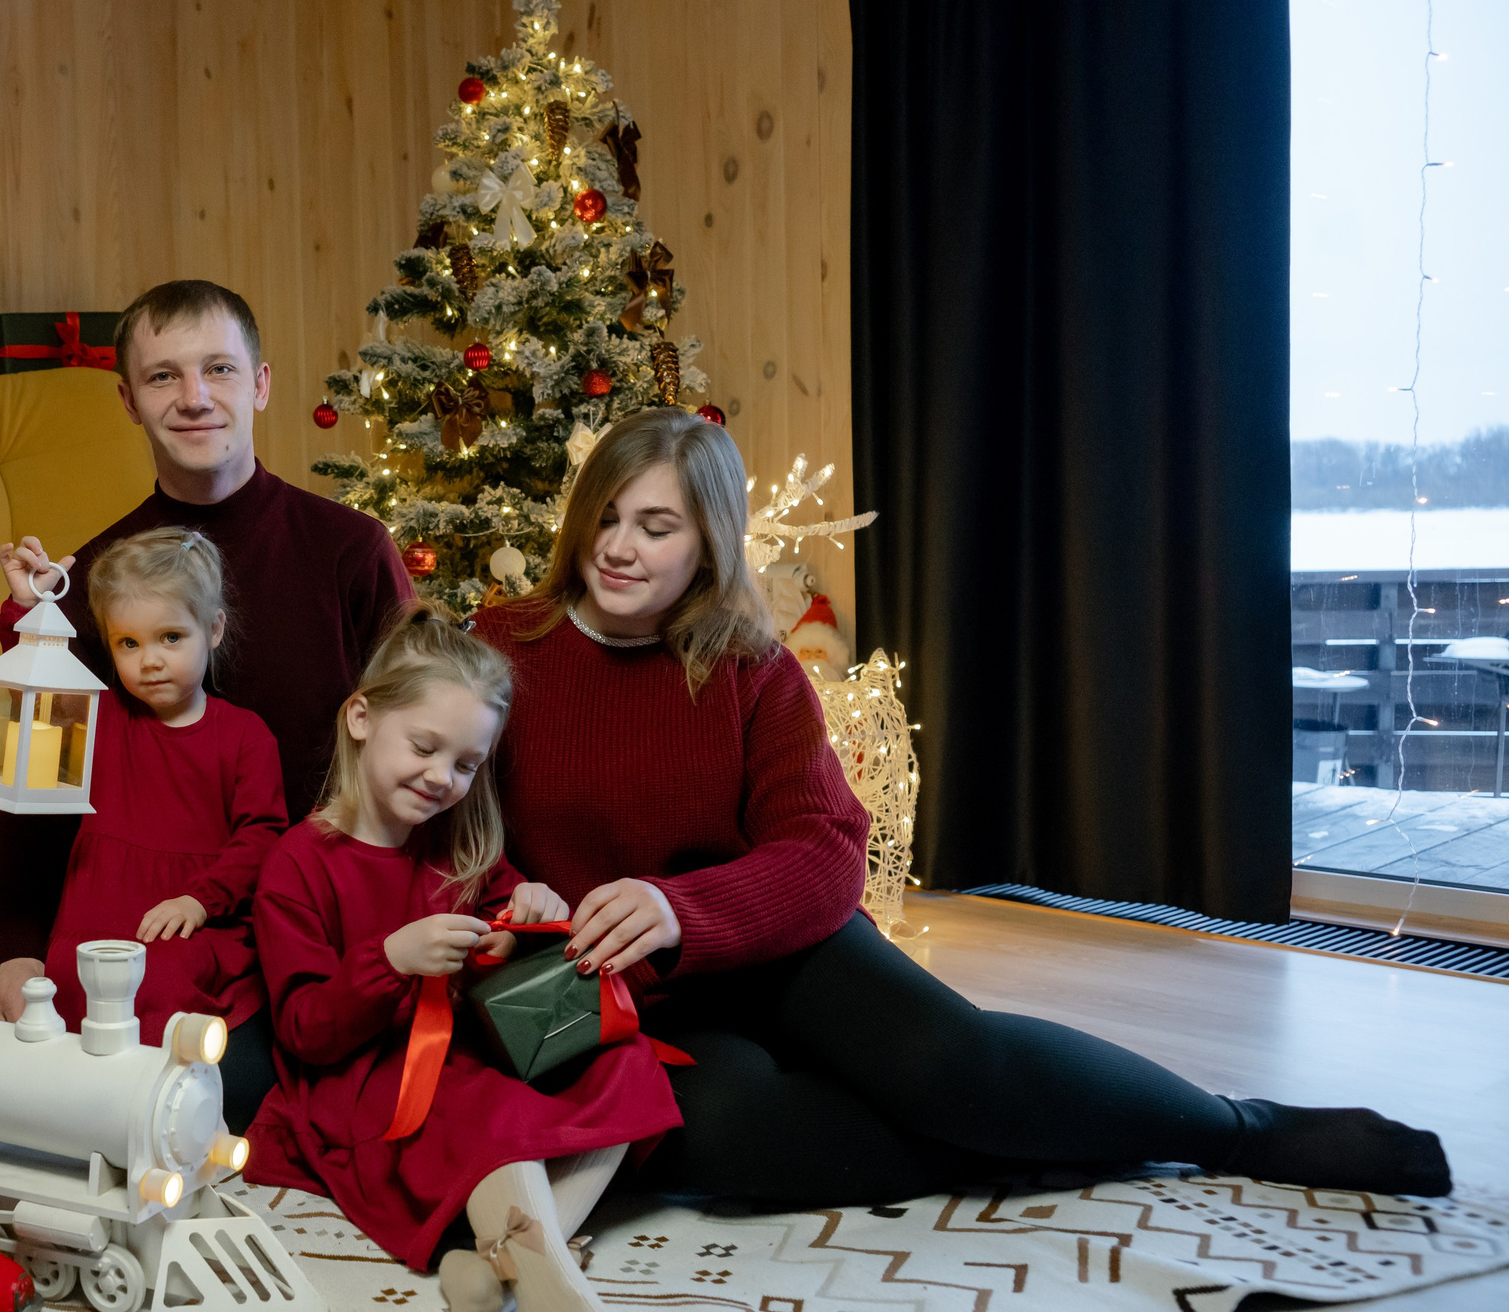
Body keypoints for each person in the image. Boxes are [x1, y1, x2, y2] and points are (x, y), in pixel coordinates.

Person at [467, 407, 1452, 1210]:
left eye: (656, 526)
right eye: (607, 517)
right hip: (595, 989)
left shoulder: (748, 666)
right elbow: (448, 825)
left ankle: (1238, 1129)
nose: (619, 549)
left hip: (764, 944)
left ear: (709, 543)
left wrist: (682, 907)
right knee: (728, 1140)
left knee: (955, 1066)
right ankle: (1046, 1141)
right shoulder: (504, 647)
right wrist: (523, 902)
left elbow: (824, 848)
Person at [241, 607, 697, 1312]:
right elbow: (306, 1031)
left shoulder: (460, 846)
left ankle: (499, 1273)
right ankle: (561, 1307)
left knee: (626, 1062)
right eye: (424, 747)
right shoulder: (299, 863)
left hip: (465, 1052)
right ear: (361, 718)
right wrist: (389, 961)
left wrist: (528, 913)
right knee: (481, 1102)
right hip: (364, 1082)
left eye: (464, 764)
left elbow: (503, 945)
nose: (440, 778)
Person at [0, 280, 413, 1124]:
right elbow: (30, 777)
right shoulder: (93, 577)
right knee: (65, 1092)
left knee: (257, 1093)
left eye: (218, 369)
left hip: (316, 920)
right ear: (128, 401)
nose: (194, 398)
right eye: (163, 376)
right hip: (142, 927)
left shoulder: (351, 551)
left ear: (260, 384)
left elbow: (420, 741)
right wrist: (16, 946)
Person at [0, 528, 286, 1048]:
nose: (150, 660)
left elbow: (261, 836)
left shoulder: (245, 735)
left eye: (171, 638)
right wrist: (27, 609)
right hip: (95, 905)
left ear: (213, 629)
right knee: (53, 989)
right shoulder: (98, 715)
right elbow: (36, 689)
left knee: (161, 983)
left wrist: (199, 901)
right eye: (128, 644)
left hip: (188, 914)